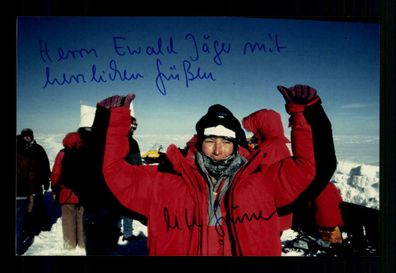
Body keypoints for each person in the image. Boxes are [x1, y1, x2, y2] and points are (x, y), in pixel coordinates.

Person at [98, 84, 336, 256]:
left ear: (236, 145)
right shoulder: (165, 182)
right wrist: (110, 122)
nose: (218, 150)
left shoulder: (262, 182)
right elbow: (109, 177)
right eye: (211, 140)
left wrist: (307, 112)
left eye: (226, 142)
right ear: (199, 142)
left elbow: (314, 168)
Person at [242, 108, 343, 244]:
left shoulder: (269, 147)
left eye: (255, 129)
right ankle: (330, 231)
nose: (253, 133)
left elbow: (256, 174)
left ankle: (329, 234)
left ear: (262, 127)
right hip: (285, 206)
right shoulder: (276, 144)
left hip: (273, 213)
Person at [50, 132, 85, 250]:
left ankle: (69, 245)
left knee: (68, 219)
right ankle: (83, 243)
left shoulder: (62, 154)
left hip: (66, 193)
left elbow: (56, 173)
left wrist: (54, 188)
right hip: (83, 193)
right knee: (82, 218)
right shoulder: (85, 153)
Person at [20, 128, 51, 233]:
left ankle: (44, 224)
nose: (27, 138)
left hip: (36, 182)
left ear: (32, 136)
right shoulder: (18, 148)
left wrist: (46, 181)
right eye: (25, 136)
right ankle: (27, 225)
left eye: (29, 136)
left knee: (38, 203)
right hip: (22, 183)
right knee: (25, 205)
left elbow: (45, 165)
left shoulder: (38, 149)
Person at [119, 116, 143, 242]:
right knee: (128, 208)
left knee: (116, 207)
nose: (134, 129)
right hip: (128, 181)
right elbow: (136, 164)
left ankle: (115, 230)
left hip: (115, 181)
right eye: (133, 126)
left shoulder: (114, 141)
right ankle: (127, 234)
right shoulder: (132, 143)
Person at [16, 135, 36, 255]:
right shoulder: (27, 158)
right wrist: (31, 194)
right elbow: (31, 177)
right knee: (18, 222)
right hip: (21, 194)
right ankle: (18, 248)